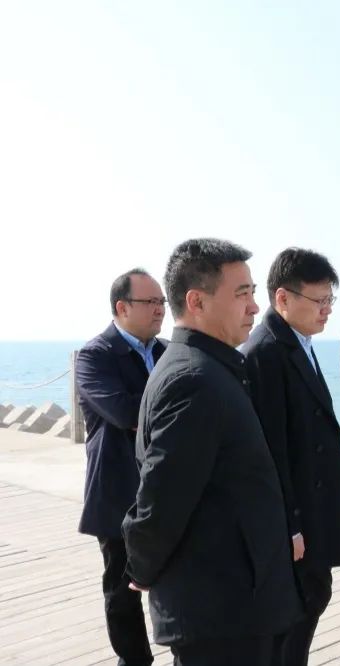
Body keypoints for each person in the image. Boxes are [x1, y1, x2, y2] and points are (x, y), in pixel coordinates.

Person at [122, 238, 301, 666]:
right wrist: (141, 566)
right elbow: (162, 497)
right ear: (197, 302)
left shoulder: (211, 368)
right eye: (241, 294)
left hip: (238, 602)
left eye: (252, 292)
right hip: (222, 614)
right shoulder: (194, 380)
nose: (254, 307)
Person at [243, 247, 340, 665]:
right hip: (295, 520)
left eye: (330, 299)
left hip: (312, 508)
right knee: (292, 622)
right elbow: (269, 452)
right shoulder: (264, 353)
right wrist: (290, 526)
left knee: (310, 605)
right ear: (283, 298)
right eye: (319, 300)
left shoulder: (297, 341)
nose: (327, 309)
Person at [76, 268, 166, 666]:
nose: (160, 309)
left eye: (162, 302)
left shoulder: (167, 352)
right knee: (122, 589)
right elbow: (125, 412)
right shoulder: (95, 356)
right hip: (117, 491)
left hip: (166, 487)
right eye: (150, 302)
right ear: (122, 307)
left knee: (177, 579)